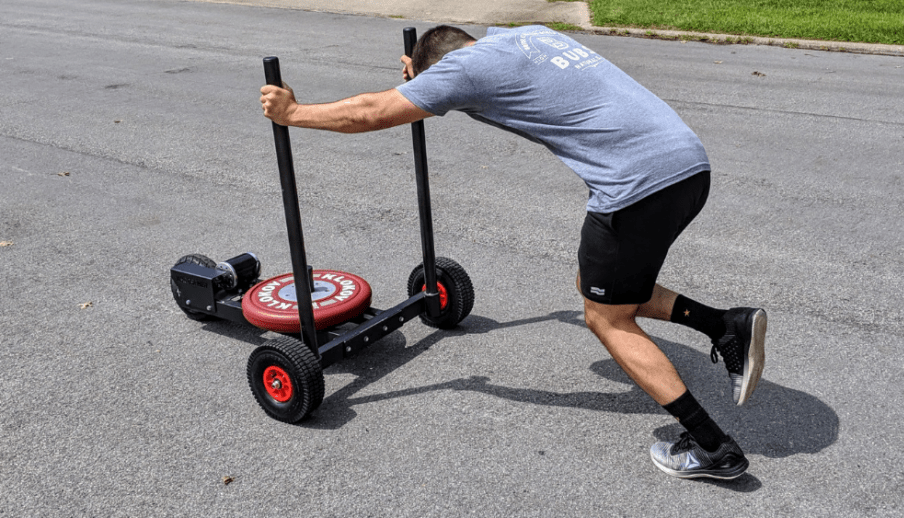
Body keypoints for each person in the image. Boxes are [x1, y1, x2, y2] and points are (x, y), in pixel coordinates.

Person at [260, 24, 766, 480]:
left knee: (607, 318)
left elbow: (372, 112)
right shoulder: (523, 35)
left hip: (636, 187)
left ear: (441, 66)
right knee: (597, 287)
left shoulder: (461, 70)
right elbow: (476, 79)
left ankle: (711, 446)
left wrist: (294, 113)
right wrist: (427, 77)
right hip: (687, 165)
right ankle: (724, 325)